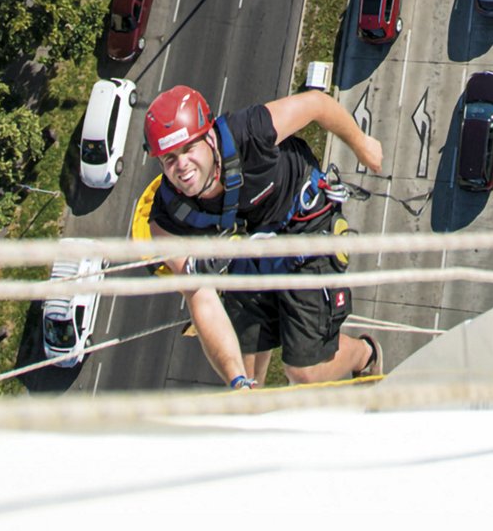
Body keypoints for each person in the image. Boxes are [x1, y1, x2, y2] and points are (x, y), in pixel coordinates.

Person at [143, 85, 385, 389]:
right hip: (252, 249)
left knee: (302, 372)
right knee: (246, 361)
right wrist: (238, 382)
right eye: (169, 159)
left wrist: (362, 144)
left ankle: (364, 354)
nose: (182, 167)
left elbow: (316, 105)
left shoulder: (249, 132)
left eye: (189, 149)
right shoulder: (168, 219)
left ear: (210, 137)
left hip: (305, 228)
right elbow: (200, 297)